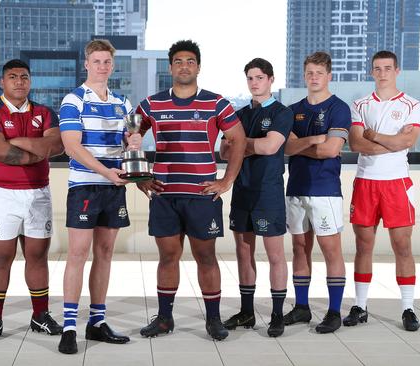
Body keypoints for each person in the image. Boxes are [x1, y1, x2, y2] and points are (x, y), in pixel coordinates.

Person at [135, 39, 246, 341]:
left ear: (198, 67)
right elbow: (129, 135)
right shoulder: (152, 104)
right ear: (170, 67)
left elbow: (238, 139)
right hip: (164, 194)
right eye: (179, 61)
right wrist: (139, 177)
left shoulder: (216, 102)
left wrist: (227, 181)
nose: (184, 66)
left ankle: (213, 320)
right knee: (168, 257)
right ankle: (164, 319)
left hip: (201, 195)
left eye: (190, 61)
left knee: (206, 257)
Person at [57, 39, 138, 354]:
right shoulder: (73, 99)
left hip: (114, 187)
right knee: (78, 254)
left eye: (107, 61)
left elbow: (132, 138)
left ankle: (97, 323)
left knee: (105, 254)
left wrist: (134, 141)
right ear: (86, 64)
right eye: (97, 61)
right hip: (86, 186)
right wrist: (106, 172)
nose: (102, 66)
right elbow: (71, 146)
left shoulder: (123, 102)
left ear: (112, 65)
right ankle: (68, 327)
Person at [0, 59, 64, 341]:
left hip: (38, 191)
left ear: (30, 81)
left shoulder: (45, 112)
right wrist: (37, 148)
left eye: (24, 77)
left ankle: (40, 316)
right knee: (1, 257)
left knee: (37, 255)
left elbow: (58, 145)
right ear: (2, 82)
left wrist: (17, 141)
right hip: (1, 193)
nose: (19, 81)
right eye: (12, 77)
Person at [344, 50, 420, 332]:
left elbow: (408, 141)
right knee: (363, 245)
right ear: (371, 72)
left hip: (397, 182)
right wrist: (393, 141)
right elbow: (355, 144)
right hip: (366, 181)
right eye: (377, 68)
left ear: (397, 71)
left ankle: (408, 308)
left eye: (387, 68)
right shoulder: (360, 104)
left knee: (402, 245)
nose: (382, 73)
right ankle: (360, 306)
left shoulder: (413, 104)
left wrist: (375, 135)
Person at [220, 58, 293, 337]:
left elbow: (270, 146)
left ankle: (276, 315)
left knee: (275, 255)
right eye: (250, 78)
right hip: (242, 190)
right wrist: (247, 146)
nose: (254, 83)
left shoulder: (281, 113)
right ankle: (247, 313)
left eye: (259, 77)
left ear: (270, 80)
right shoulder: (238, 114)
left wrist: (241, 144)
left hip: (268, 192)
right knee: (243, 252)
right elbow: (224, 153)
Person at [283, 51, 350, 334]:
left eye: (319, 73)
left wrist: (300, 144)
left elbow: (331, 149)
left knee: (330, 249)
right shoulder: (292, 109)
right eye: (309, 72)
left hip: (325, 190)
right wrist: (312, 141)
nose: (313, 77)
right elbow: (284, 148)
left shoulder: (339, 108)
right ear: (304, 75)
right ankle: (301, 308)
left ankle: (334, 312)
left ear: (329, 76)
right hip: (296, 187)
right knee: (299, 247)